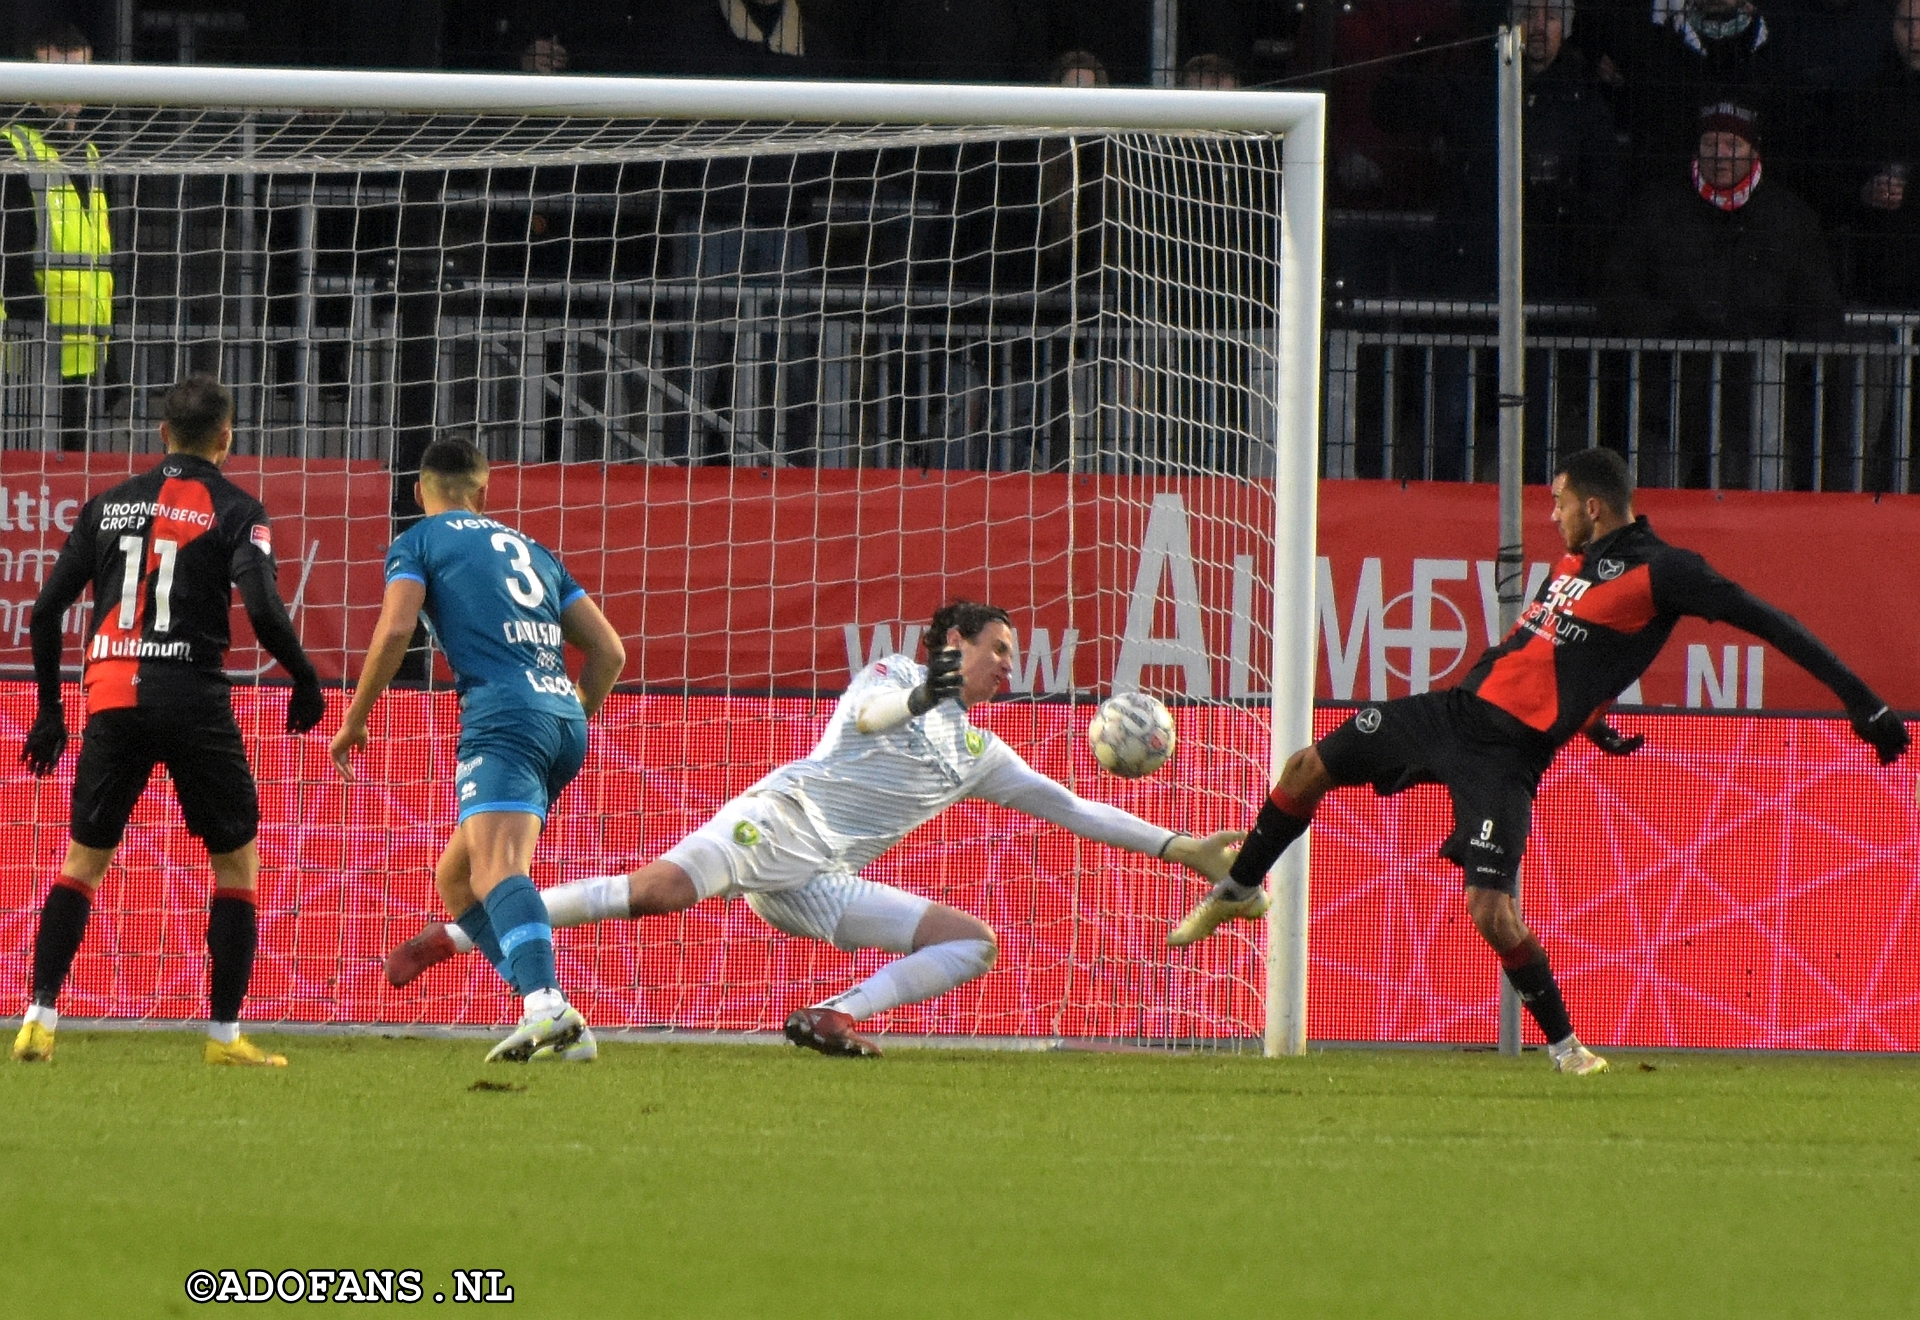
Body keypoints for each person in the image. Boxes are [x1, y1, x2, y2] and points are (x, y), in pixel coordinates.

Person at [1172, 446, 1909, 1074]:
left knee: (1490, 911)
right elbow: (1568, 658)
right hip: (1452, 714)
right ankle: (1240, 887)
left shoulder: (1666, 571)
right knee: (1306, 768)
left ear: (1594, 506)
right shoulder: (1577, 561)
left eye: (1557, 502)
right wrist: (1590, 721)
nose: (1549, 514)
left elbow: (1771, 622)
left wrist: (1861, 700)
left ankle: (1567, 1050)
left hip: (1506, 757)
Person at [383, 600, 1245, 1058]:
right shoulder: (894, 673)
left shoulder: (983, 751)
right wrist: (923, 690)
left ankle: (832, 1016)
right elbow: (871, 718)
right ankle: (457, 935)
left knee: (971, 941)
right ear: (953, 643)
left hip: (821, 876)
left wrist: (1181, 848)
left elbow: (1075, 807)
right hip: (779, 819)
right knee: (657, 893)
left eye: (1011, 659)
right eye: (999, 651)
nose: (1008, 669)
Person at [11, 375, 327, 1066]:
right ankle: (223, 1036)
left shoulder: (106, 506)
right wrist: (304, 678)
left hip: (112, 696)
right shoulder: (238, 510)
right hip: (192, 698)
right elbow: (265, 607)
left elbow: (41, 614)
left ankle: (37, 1018)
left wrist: (48, 711)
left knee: (83, 862)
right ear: (226, 435)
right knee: (235, 861)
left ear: (161, 434)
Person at [328, 438, 625, 1063]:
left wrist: (354, 721)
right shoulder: (537, 553)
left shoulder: (418, 542)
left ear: (419, 492)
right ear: (484, 492)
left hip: (502, 715)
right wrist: (561, 713)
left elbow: (396, 627)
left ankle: (545, 1006)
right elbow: (610, 653)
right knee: (457, 877)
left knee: (496, 871)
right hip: (564, 717)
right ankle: (554, 1012)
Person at [0, 23, 117, 452]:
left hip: (83, 353)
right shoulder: (11, 149)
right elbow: (10, 261)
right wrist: (36, 334)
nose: (70, 95)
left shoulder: (90, 156)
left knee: (70, 485)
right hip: (26, 359)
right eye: (57, 79)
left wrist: (112, 350)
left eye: (78, 79)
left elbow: (100, 259)